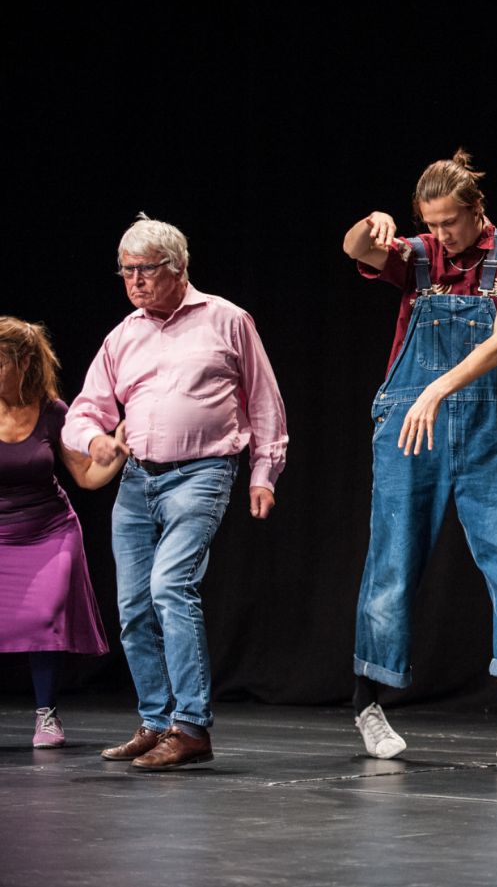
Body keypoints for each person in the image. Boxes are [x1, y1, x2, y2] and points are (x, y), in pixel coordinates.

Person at [342, 150, 497, 768]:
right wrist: (371, 222)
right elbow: (357, 249)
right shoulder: (419, 256)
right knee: (392, 562)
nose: (440, 235)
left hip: (492, 429)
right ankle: (367, 703)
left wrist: (438, 387)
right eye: (429, 223)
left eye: (450, 223)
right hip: (411, 429)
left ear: (476, 209)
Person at [62, 215, 288, 770]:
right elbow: (85, 410)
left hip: (203, 473)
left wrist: (264, 474)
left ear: (179, 267)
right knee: (134, 605)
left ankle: (191, 727)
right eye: (126, 271)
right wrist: (94, 440)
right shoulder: (123, 334)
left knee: (170, 586)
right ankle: (156, 722)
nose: (135, 280)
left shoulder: (227, 320)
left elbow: (263, 401)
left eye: (146, 269)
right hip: (139, 480)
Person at [0, 318, 126, 747]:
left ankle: (46, 715)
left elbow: (87, 478)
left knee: (43, 615)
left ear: (25, 362)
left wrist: (115, 451)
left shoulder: (53, 412)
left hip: (49, 531)